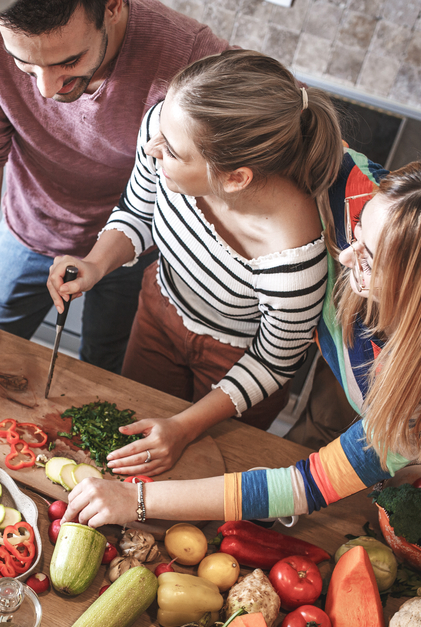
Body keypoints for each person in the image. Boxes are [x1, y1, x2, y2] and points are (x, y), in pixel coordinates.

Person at [63, 152, 421, 528]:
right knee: (304, 444)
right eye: (358, 231)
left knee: (400, 525)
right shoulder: (356, 191)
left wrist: (137, 500)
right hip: (354, 370)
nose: (345, 257)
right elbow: (286, 112)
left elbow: (306, 487)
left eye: (370, 259)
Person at [48, 51, 343, 475]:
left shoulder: (293, 263)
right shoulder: (166, 129)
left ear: (235, 178)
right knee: (130, 444)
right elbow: (138, 212)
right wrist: (95, 264)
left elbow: (273, 364)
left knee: (209, 474)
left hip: (238, 363)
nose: (152, 148)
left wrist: (185, 428)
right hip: (158, 310)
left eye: (171, 151)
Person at [0, 0, 228, 372]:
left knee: (105, 364)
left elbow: (294, 111)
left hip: (132, 248)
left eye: (68, 62)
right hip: (28, 226)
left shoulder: (188, 54)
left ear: (113, 6)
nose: (46, 90)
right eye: (25, 65)